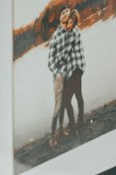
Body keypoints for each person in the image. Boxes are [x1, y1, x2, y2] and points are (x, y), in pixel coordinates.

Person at [47, 7, 85, 148]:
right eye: (63, 13)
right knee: (61, 104)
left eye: (67, 13)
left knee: (68, 100)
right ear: (60, 18)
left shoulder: (73, 31)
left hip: (74, 69)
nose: (65, 15)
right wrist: (58, 71)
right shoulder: (57, 36)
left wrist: (61, 64)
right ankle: (57, 134)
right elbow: (50, 61)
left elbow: (67, 52)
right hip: (61, 74)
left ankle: (73, 125)